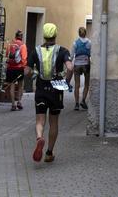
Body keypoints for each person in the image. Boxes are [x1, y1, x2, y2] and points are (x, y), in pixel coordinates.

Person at [25, 23, 73, 162]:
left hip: (40, 88)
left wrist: (34, 74)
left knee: (40, 120)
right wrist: (66, 83)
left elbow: (27, 71)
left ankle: (40, 137)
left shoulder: (36, 51)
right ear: (55, 35)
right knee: (54, 122)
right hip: (56, 88)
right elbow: (70, 67)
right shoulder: (62, 51)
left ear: (44, 36)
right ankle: (49, 153)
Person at [6, 30, 27, 111]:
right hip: (19, 68)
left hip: (10, 68)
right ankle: (19, 102)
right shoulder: (23, 45)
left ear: (15, 36)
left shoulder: (10, 44)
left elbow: (7, 55)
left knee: (12, 86)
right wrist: (24, 67)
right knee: (20, 85)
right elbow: (24, 58)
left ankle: (13, 104)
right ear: (21, 37)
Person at [71, 27, 91, 111]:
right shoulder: (89, 42)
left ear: (78, 33)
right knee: (86, 84)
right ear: (85, 33)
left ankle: (76, 104)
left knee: (77, 85)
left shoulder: (75, 43)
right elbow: (91, 54)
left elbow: (72, 55)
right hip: (86, 64)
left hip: (77, 65)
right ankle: (83, 100)